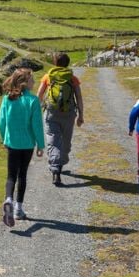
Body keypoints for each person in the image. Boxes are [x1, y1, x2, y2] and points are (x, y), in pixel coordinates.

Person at [0, 68, 45, 227]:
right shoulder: (33, 101)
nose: (34, 82)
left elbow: (1, 121)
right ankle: (18, 209)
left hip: (12, 143)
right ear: (25, 83)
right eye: (32, 80)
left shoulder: (7, 99)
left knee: (11, 175)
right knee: (22, 174)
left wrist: (4, 138)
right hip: (27, 144)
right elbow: (37, 125)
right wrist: (41, 144)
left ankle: (8, 199)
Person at [37, 53, 84, 186]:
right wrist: (81, 115)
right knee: (65, 141)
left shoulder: (48, 76)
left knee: (53, 140)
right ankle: (58, 166)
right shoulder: (73, 78)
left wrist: (37, 110)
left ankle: (55, 170)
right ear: (67, 63)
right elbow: (79, 98)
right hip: (68, 114)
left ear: (54, 63)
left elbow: (39, 95)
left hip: (51, 113)